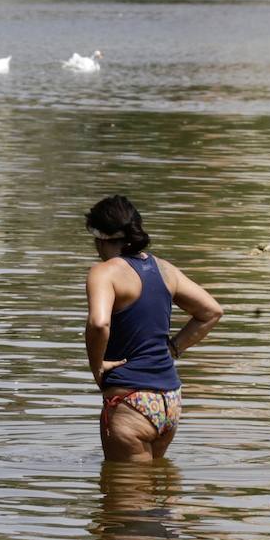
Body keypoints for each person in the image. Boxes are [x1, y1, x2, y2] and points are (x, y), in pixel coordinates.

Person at [83, 195, 223, 463]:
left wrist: (97, 366)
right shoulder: (165, 269)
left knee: (123, 501)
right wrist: (173, 348)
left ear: (99, 237)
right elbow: (211, 312)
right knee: (155, 496)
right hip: (169, 400)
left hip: (130, 402)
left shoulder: (104, 273)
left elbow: (99, 323)